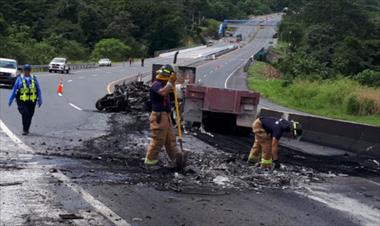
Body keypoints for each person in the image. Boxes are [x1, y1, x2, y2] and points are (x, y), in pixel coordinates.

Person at [144, 64, 185, 169]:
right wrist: (171, 82)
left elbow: (171, 91)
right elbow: (163, 92)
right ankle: (150, 161)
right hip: (158, 116)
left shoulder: (165, 84)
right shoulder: (156, 84)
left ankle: (175, 159)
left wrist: (173, 83)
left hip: (166, 116)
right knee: (158, 139)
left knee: (170, 139)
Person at [8, 64, 43, 135]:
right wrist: (10, 100)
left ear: (30, 71)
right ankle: (25, 130)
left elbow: (38, 90)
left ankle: (27, 129)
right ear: (23, 71)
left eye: (28, 70)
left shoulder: (34, 78)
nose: (26, 72)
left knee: (30, 115)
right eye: (25, 70)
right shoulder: (19, 79)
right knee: (25, 113)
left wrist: (40, 100)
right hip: (21, 101)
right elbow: (14, 89)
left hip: (32, 101)